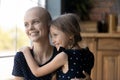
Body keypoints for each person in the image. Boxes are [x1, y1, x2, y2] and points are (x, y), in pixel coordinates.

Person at [12, 6, 92, 80]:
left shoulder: (62, 54)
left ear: (49, 25)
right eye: (26, 24)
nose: (30, 28)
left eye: (36, 22)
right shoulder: (21, 57)